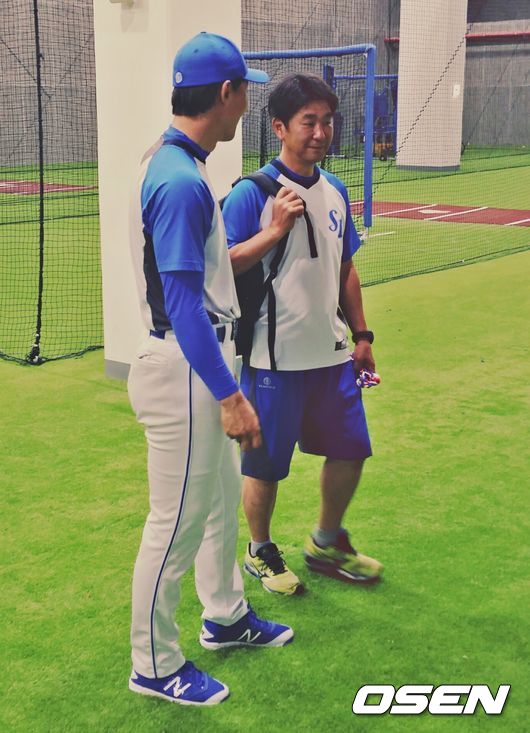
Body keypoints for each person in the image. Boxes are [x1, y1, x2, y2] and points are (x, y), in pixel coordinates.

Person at [127, 32, 294, 707]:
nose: (246, 104)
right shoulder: (178, 179)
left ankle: (225, 616)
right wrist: (229, 394)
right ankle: (154, 663)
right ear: (226, 94)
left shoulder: (178, 163)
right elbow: (183, 304)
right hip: (185, 368)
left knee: (221, 505)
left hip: (200, 359)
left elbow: (208, 279)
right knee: (175, 524)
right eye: (244, 91)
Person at [222, 73, 383, 596]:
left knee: (351, 449)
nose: (319, 132)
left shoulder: (335, 190)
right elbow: (221, 266)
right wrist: (273, 231)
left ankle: (325, 542)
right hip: (274, 359)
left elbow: (345, 267)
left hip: (332, 355)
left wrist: (362, 335)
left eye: (327, 122)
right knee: (265, 466)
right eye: (308, 122)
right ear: (279, 127)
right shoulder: (251, 193)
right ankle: (260, 550)